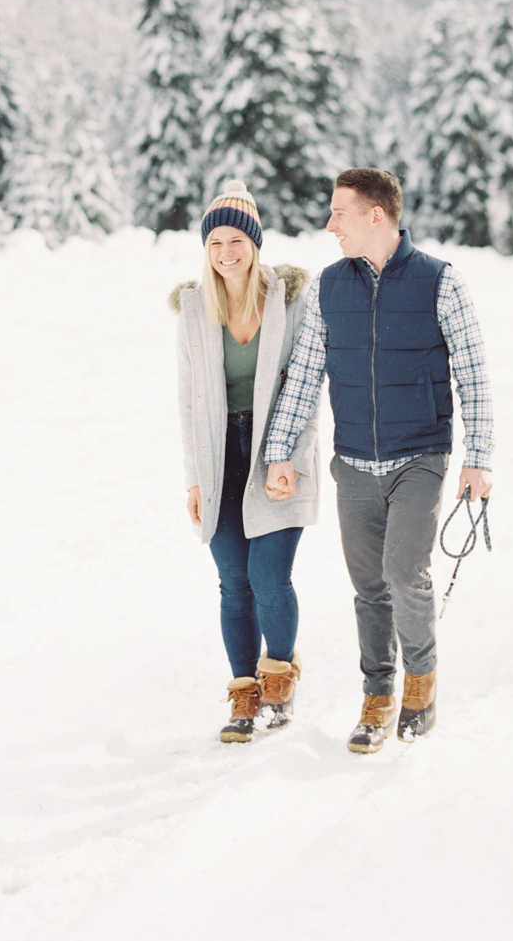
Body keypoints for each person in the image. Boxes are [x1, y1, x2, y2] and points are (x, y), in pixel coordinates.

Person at [264, 168, 493, 754]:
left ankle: (421, 682)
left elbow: (473, 376)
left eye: (339, 213)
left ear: (375, 216)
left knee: (402, 573)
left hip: (420, 455)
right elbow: (304, 378)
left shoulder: (441, 282)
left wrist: (480, 458)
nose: (329, 224)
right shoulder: (327, 287)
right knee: (368, 586)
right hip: (354, 463)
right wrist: (279, 452)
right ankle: (378, 693)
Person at [172, 180, 319, 743]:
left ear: (255, 243)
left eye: (237, 239)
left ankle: (278, 672)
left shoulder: (292, 300)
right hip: (218, 457)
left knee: (267, 576)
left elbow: (307, 389)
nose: (226, 252)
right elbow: (188, 403)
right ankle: (243, 691)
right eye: (215, 243)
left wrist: (294, 459)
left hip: (274, 450)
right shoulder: (193, 310)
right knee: (233, 582)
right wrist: (193, 480)